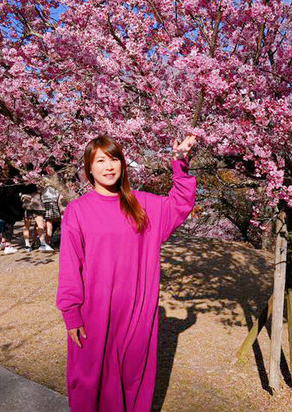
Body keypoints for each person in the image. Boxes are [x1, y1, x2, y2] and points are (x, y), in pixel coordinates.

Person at [56, 134, 196, 411]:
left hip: (137, 313)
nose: (109, 167)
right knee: (88, 381)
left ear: (122, 164)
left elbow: (180, 203)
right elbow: (70, 265)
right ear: (89, 168)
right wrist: (71, 313)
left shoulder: (143, 205)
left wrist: (180, 163)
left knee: (133, 380)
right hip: (93, 314)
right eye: (101, 161)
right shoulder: (78, 211)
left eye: (114, 159)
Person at [0, 162, 23, 255]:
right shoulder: (13, 180)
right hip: (10, 204)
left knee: (4, 224)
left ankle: (3, 241)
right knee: (9, 224)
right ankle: (8, 246)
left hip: (0, 203)